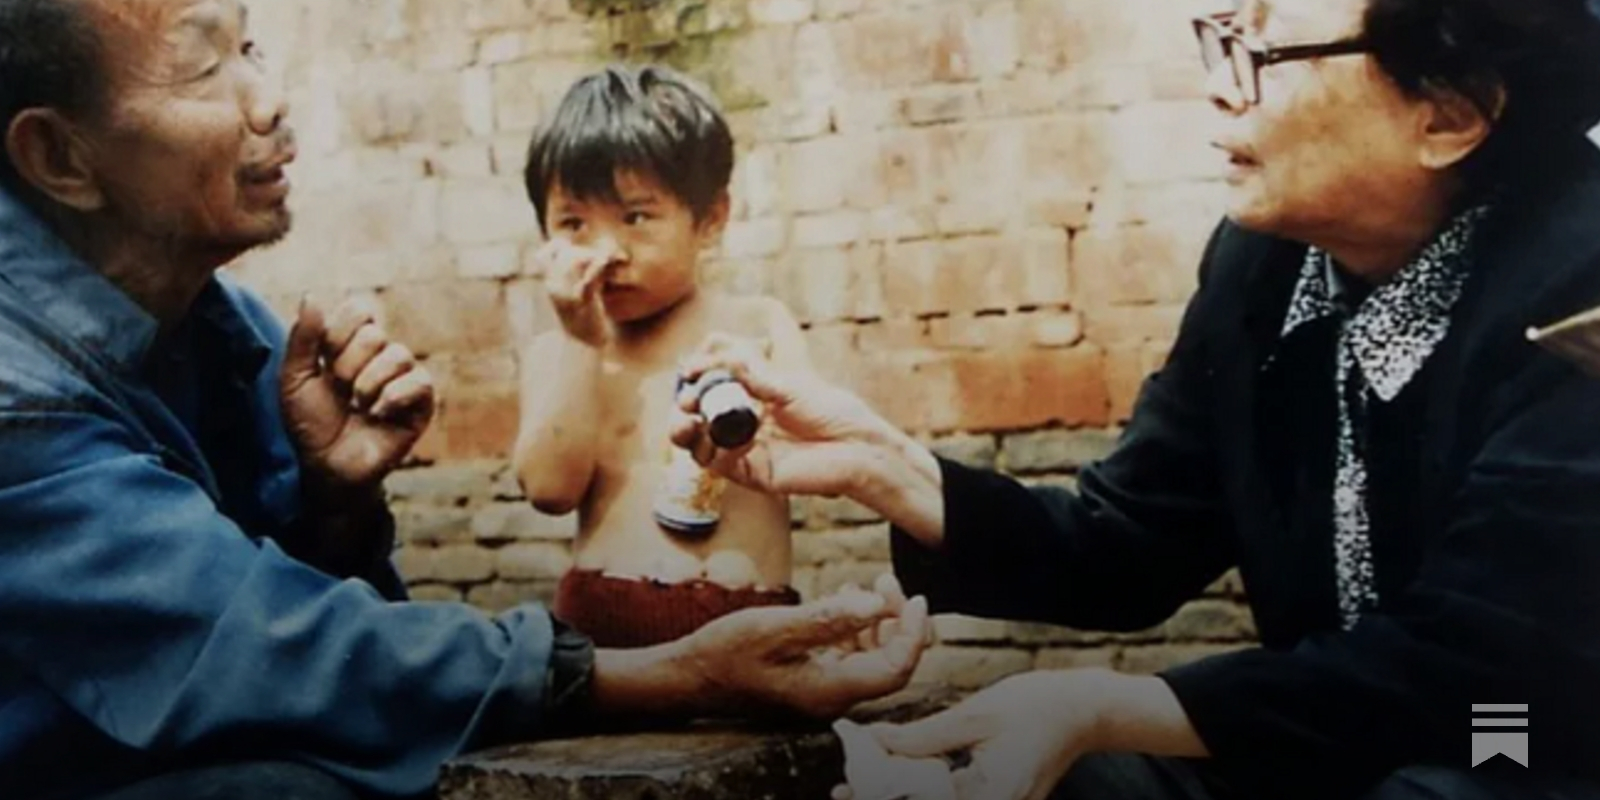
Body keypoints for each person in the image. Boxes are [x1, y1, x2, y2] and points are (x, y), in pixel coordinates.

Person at [0, 2, 930, 799]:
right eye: (205, 67)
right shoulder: (15, 394)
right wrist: (653, 672)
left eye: (250, 47)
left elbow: (313, 660)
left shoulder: (224, 324)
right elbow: (250, 650)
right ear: (59, 157)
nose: (268, 98)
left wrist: (335, 506)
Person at [672, 0, 1600, 798]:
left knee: (1463, 785)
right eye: (1220, 37)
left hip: (1518, 718)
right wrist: (883, 467)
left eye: (1261, 51)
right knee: (1066, 779)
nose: (1222, 84)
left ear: (1448, 113)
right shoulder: (1267, 265)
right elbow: (1132, 544)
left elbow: (1487, 655)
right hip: (1337, 728)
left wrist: (1104, 702)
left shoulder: (1579, 274)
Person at [513, 65, 810, 649]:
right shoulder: (558, 352)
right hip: (608, 631)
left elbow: (813, 453)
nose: (608, 250)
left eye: (637, 217)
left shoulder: (758, 327)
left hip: (747, 618)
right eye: (573, 222)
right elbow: (550, 489)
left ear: (711, 220)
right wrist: (581, 343)